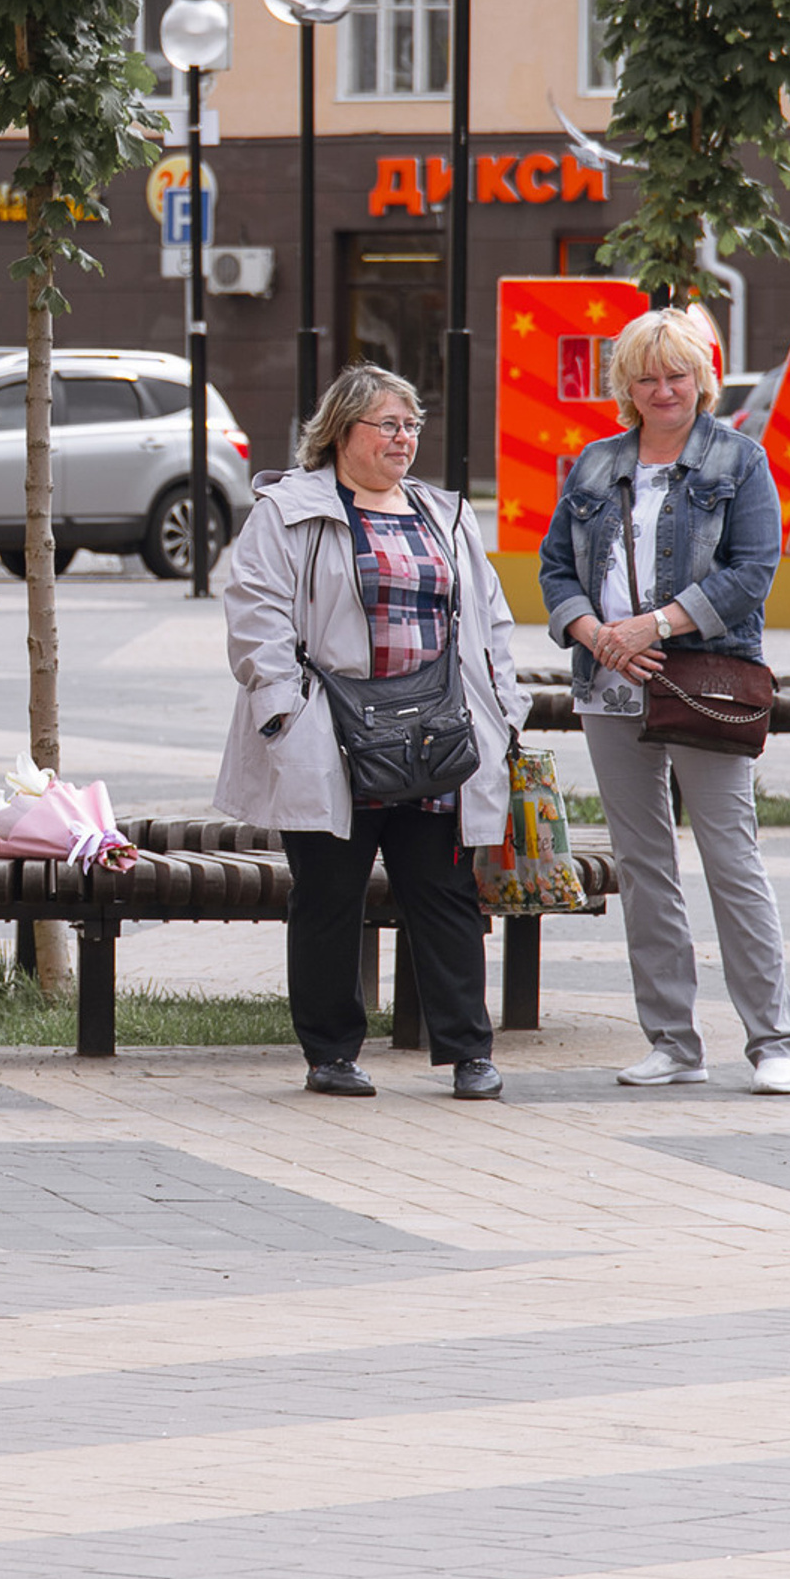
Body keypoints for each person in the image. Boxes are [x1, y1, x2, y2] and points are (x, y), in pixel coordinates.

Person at [216, 364, 526, 1101]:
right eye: (388, 424)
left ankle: (468, 1052)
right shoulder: (289, 510)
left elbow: (493, 618)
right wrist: (284, 715)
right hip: (333, 731)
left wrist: (505, 710)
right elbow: (256, 614)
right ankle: (330, 1054)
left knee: (446, 892)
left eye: (412, 425)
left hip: (434, 735)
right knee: (328, 894)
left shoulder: (445, 513)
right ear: (340, 431)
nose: (404, 439)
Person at [537, 304, 790, 1095]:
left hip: (705, 683)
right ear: (626, 384)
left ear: (702, 379)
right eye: (647, 377)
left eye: (678, 375)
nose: (664, 390)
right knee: (643, 865)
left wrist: (652, 623)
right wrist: (596, 635)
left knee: (731, 858)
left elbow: (752, 571)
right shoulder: (591, 464)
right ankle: (672, 1041)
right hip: (609, 686)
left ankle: (774, 1041)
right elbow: (555, 571)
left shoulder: (739, 462)